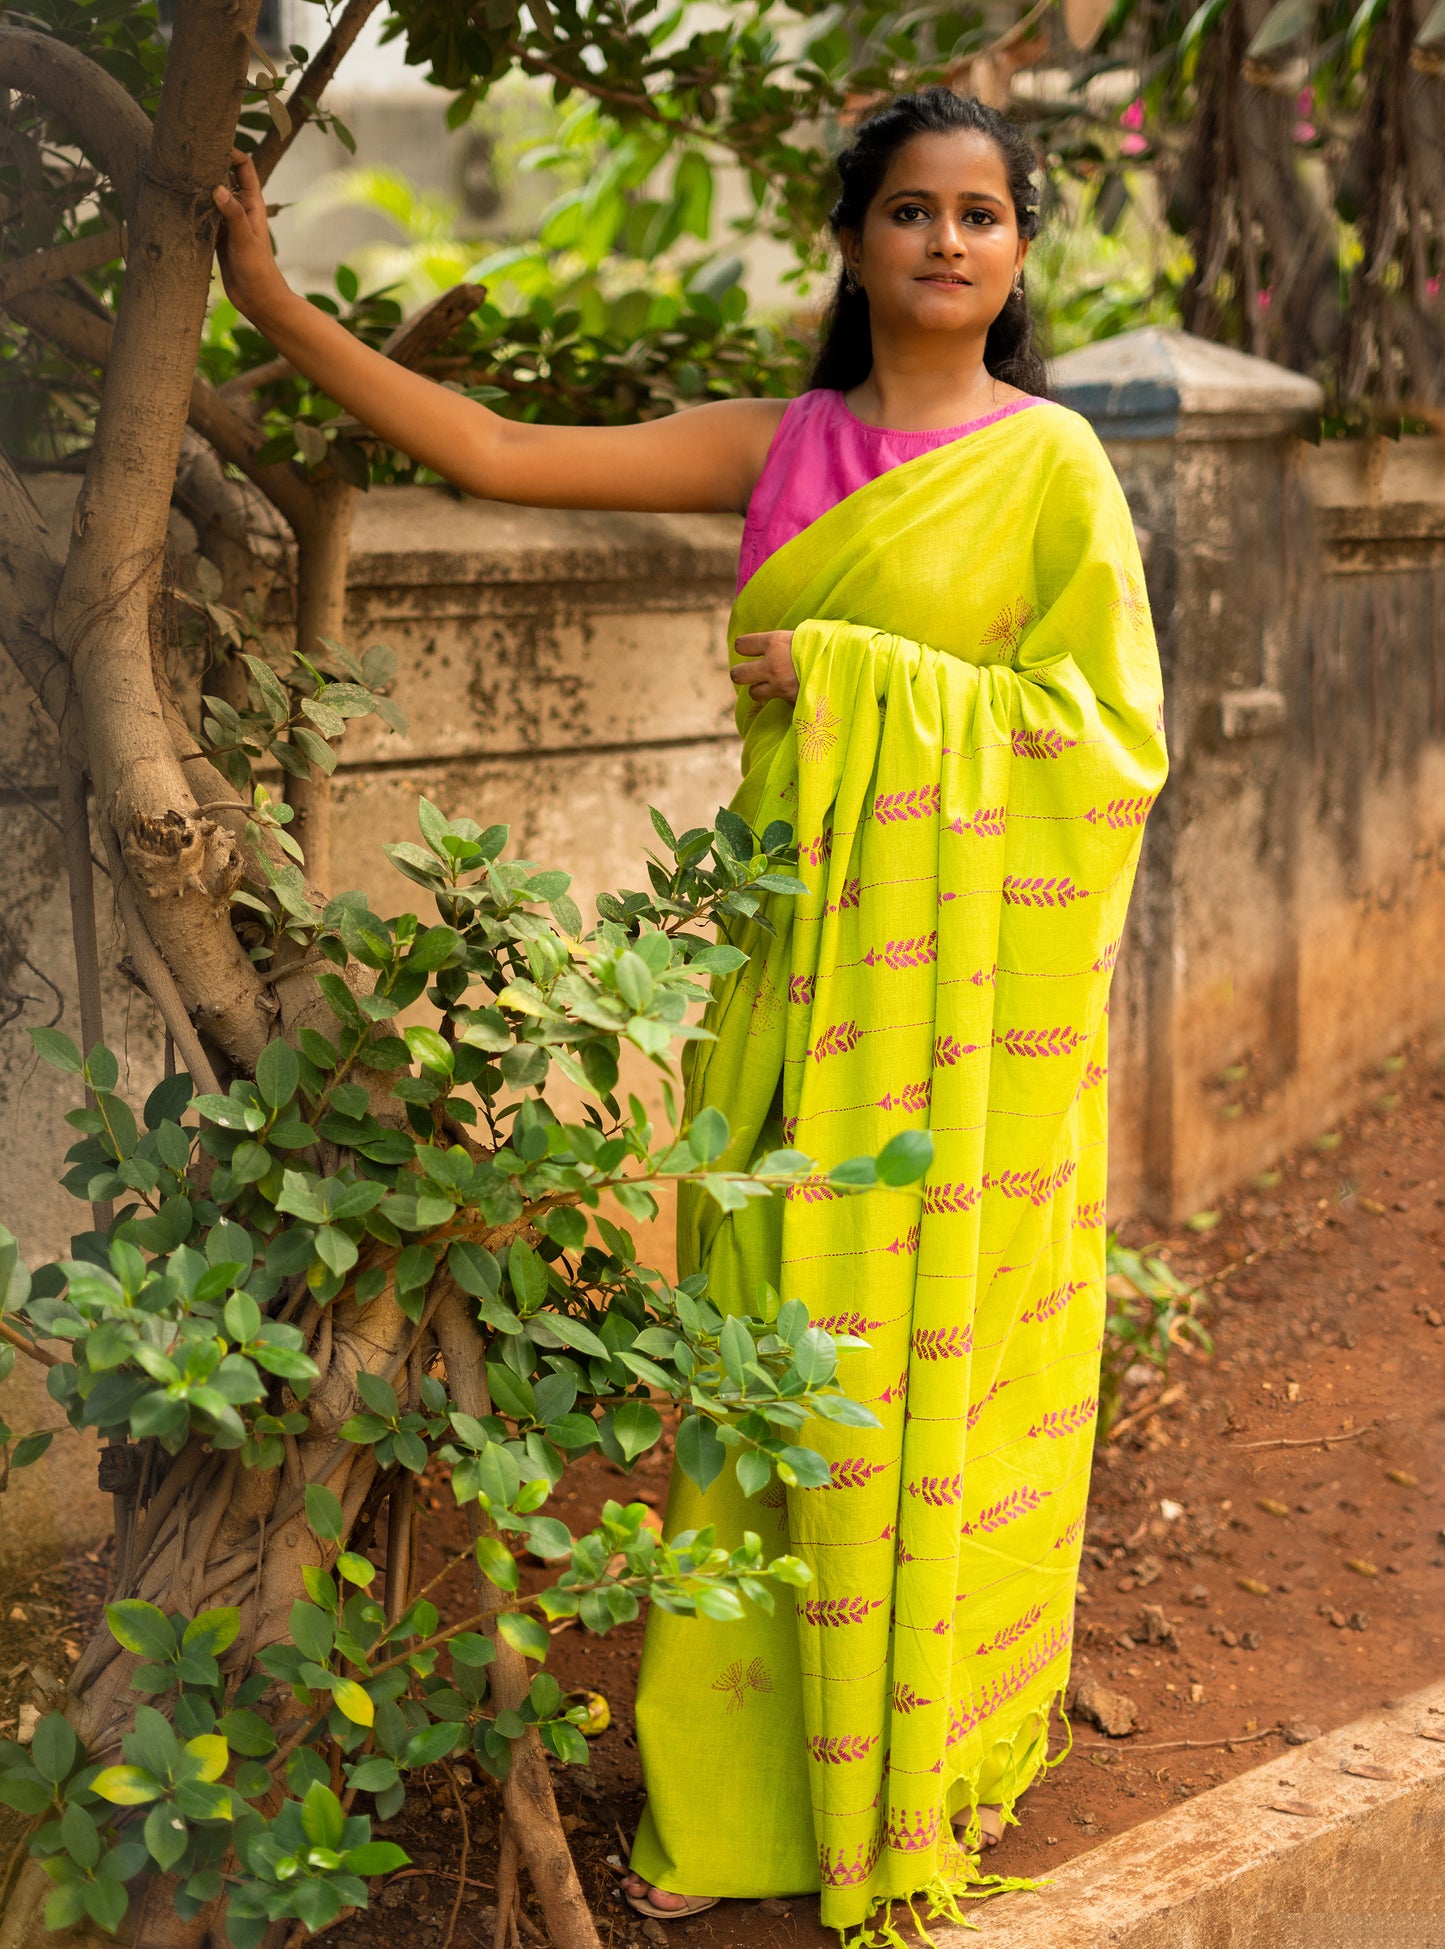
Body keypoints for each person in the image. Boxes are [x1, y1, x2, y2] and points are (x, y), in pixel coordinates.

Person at [215, 86, 1166, 1946]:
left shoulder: (1051, 468)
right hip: (784, 978)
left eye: (983, 212)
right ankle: (741, 1789)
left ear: (1020, 251)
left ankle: (913, 1749)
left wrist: (857, 669)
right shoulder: (780, 441)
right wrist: (273, 307)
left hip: (954, 1026)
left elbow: (1107, 740)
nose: (948, 240)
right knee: (753, 1362)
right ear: (853, 241)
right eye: (912, 208)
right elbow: (492, 452)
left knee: (918, 1364)